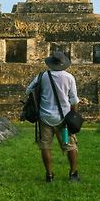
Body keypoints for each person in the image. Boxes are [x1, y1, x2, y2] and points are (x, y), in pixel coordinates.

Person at [26, 51, 80, 183]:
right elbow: (74, 100)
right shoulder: (69, 77)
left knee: (45, 146)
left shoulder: (42, 76)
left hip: (44, 117)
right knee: (70, 145)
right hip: (64, 120)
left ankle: (49, 175)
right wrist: (72, 115)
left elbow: (28, 91)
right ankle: (73, 174)